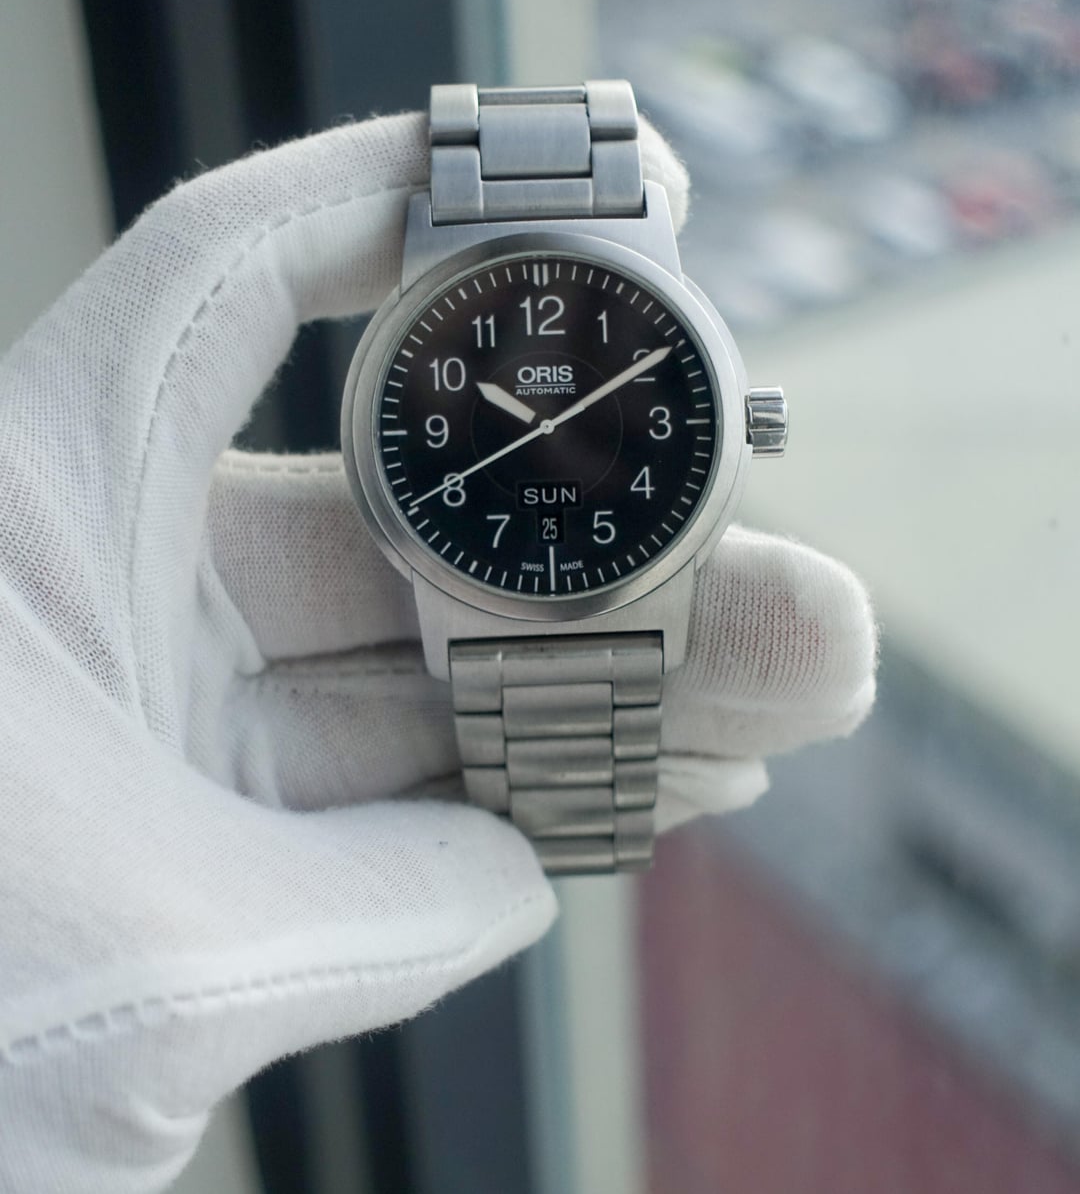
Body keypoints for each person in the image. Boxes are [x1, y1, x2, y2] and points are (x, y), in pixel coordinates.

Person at [0, 108, 876, 1192]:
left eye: (574, 423)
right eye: (523, 422)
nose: (547, 436)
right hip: (469, 575)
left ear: (743, 422)